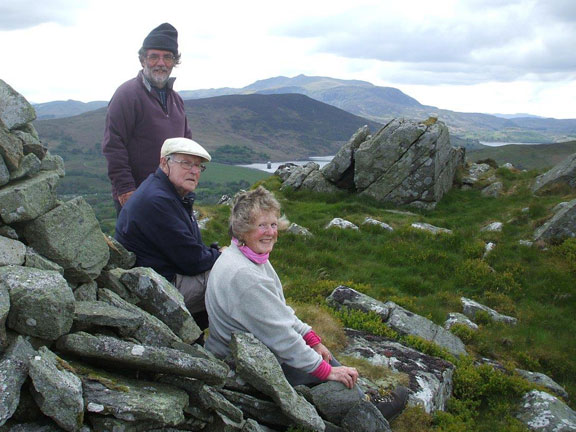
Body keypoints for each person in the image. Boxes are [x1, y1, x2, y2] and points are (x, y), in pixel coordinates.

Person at [205, 186, 409, 421]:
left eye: (273, 224)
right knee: (334, 379)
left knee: (322, 355)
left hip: (250, 350)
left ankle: (362, 397)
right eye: (261, 225)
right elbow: (282, 338)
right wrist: (328, 371)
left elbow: (280, 313)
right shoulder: (245, 275)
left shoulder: (248, 258)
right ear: (242, 229)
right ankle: (368, 413)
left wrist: (312, 339)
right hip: (242, 364)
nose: (270, 232)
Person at [115, 137, 220, 330]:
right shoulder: (157, 201)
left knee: (237, 270)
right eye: (186, 163)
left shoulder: (164, 192)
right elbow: (192, 261)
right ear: (165, 162)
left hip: (159, 279)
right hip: (159, 289)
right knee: (237, 276)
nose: (195, 171)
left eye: (198, 167)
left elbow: (189, 251)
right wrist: (221, 255)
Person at [102, 22, 192, 213]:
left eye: (167, 57)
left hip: (172, 197)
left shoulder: (176, 100)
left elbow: (187, 147)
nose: (161, 63)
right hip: (137, 197)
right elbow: (113, 146)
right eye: (154, 57)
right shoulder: (127, 95)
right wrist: (126, 189)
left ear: (174, 62)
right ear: (143, 60)